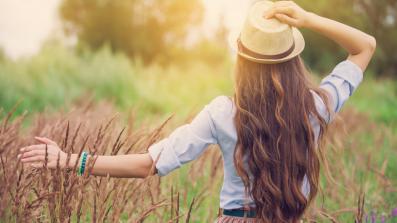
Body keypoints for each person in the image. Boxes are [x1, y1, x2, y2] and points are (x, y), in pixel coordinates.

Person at [18, 1, 376, 222]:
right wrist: (309, 18)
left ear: (242, 60)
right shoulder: (316, 107)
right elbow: (365, 47)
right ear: (292, 59)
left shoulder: (223, 113)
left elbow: (147, 165)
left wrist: (68, 159)